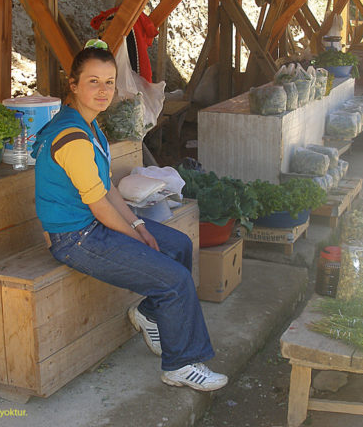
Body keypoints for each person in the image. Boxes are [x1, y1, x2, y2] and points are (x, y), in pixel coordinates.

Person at [31, 39, 228, 392]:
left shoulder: (88, 126)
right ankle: (180, 365)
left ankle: (149, 314)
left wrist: (137, 223)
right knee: (174, 280)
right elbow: (100, 206)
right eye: (93, 81)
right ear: (73, 85)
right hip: (76, 237)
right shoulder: (72, 136)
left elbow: (106, 188)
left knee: (178, 245)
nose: (103, 90)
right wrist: (135, 236)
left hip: (93, 223)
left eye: (109, 82)